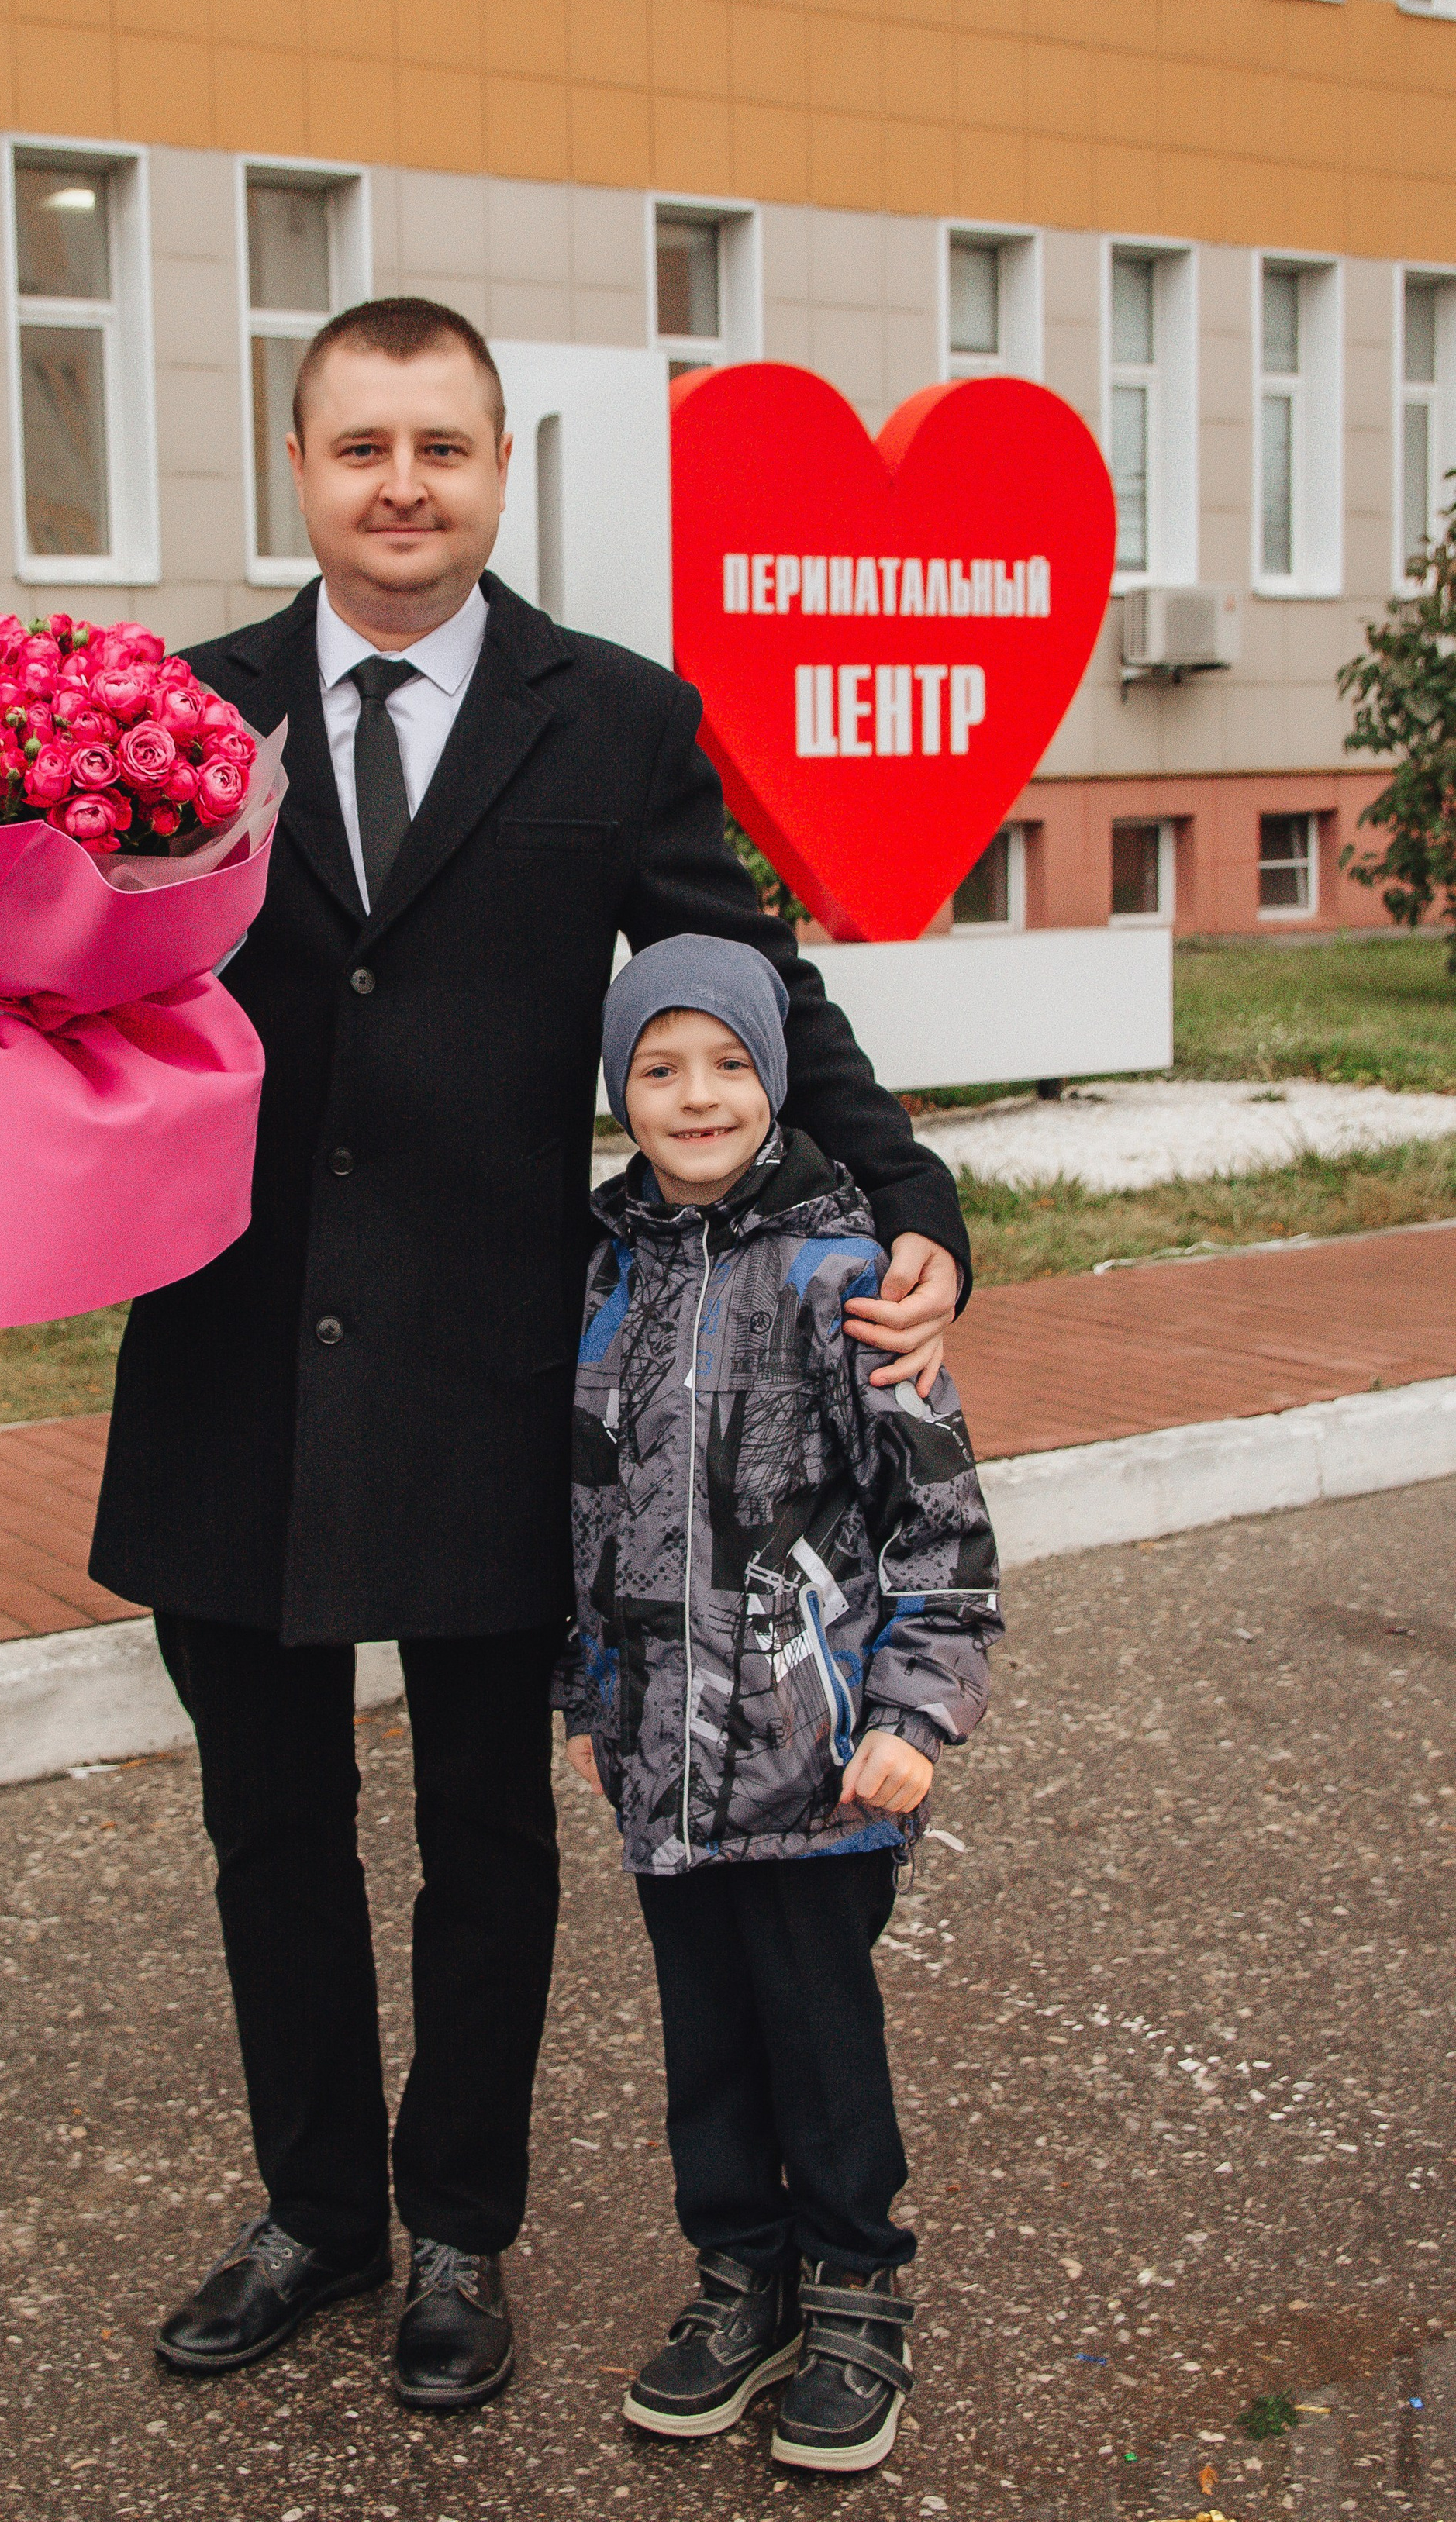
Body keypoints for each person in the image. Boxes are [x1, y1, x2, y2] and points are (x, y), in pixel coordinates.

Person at [89, 296, 973, 2411]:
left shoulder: (615, 721)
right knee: (268, 1823)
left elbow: (745, 977)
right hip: (232, 1360)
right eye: (364, 444)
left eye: (445, 448)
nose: (405, 483)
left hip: (503, 1382)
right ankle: (316, 2210)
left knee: (487, 1825)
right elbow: (77, 994)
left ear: (499, 473)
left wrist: (911, 1194)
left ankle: (457, 2231)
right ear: (299, 467)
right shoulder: (184, 717)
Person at [557, 935, 1001, 2472]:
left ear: (776, 1078)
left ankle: (855, 2288)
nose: (694, 1096)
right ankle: (737, 2277)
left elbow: (937, 1530)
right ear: (620, 1089)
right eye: (658, 1067)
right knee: (707, 2043)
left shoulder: (845, 1276)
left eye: (727, 1064)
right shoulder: (602, 1274)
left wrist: (910, 1719)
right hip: (660, 1766)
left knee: (816, 2036)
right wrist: (589, 1699)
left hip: (817, 1770)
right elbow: (587, 1514)